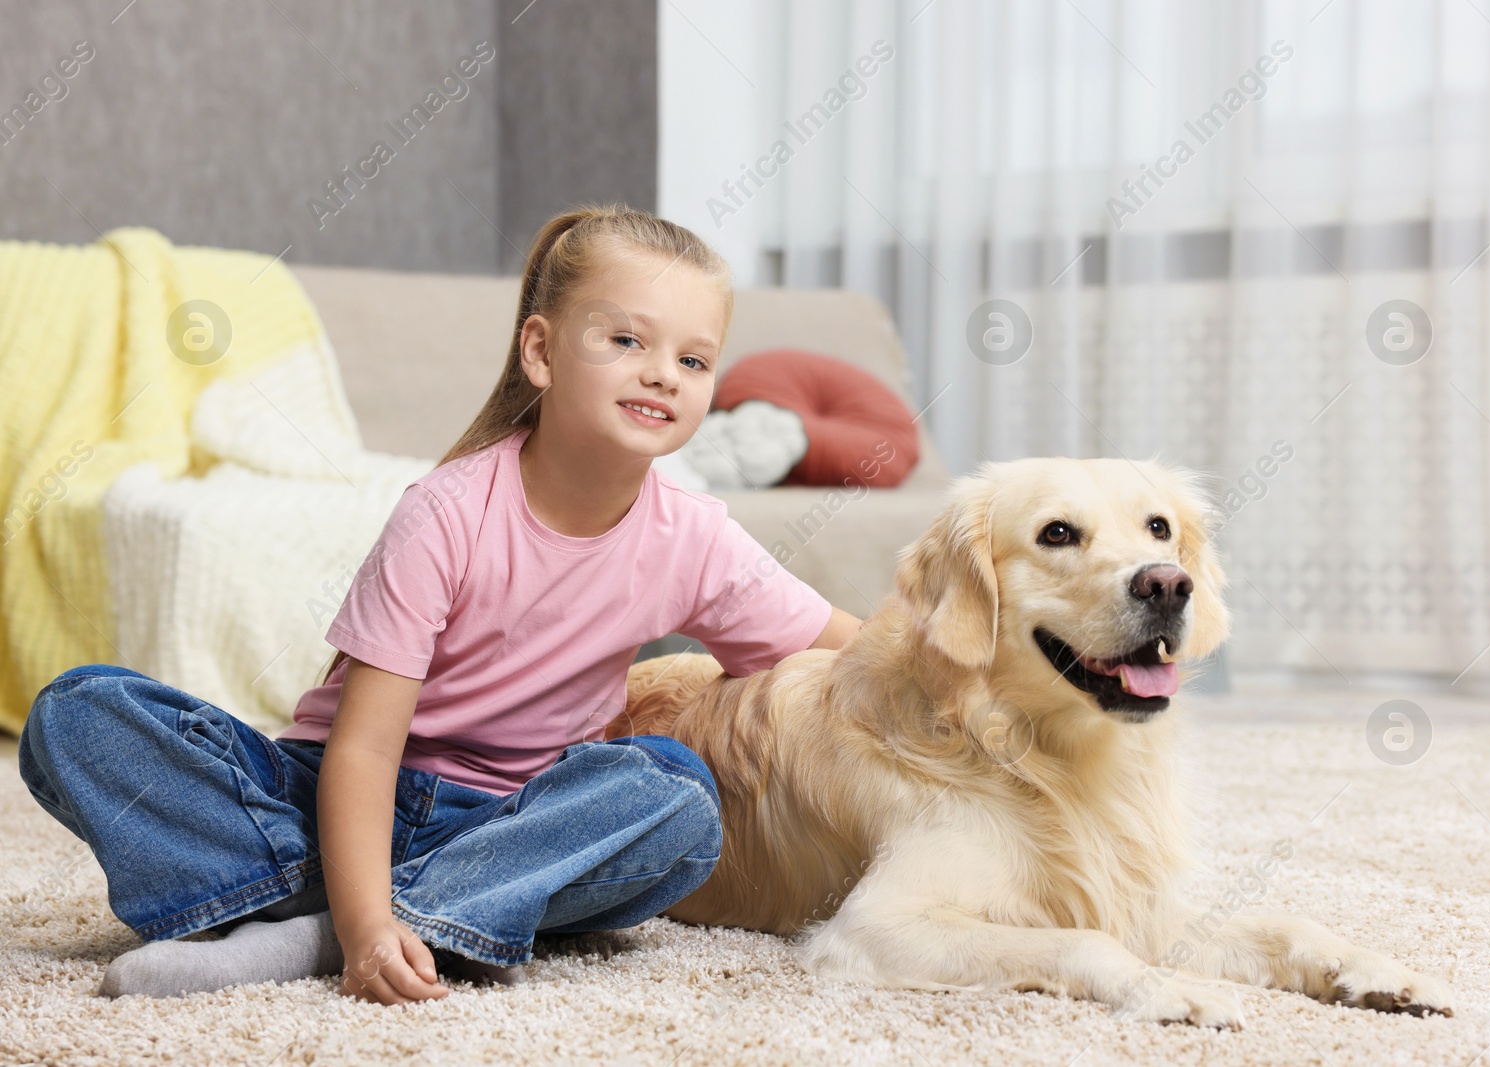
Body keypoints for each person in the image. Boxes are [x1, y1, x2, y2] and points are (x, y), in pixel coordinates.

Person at [19, 204, 862, 1005]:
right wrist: (364, 924)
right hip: (328, 797)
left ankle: (305, 928)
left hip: (511, 821)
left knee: (676, 798)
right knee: (76, 712)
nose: (660, 373)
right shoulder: (448, 511)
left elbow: (850, 655)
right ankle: (409, 915)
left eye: (693, 359)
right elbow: (363, 747)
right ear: (541, 352)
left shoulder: (696, 537)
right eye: (626, 339)